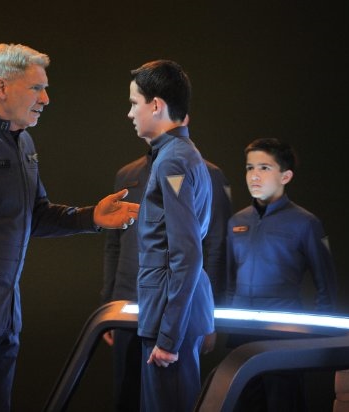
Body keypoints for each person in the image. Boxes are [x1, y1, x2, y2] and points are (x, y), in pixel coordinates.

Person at [0, 43, 139, 412]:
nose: (46, 98)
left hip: (5, 323)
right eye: (36, 88)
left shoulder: (23, 141)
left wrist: (92, 217)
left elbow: (36, 215)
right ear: (1, 87)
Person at [101, 149, 231, 411]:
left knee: (171, 397)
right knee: (126, 393)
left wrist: (211, 313)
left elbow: (216, 246)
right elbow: (113, 244)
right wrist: (108, 304)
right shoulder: (127, 174)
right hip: (127, 303)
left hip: (176, 305)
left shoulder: (207, 172)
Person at [226, 137, 337, 411]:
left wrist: (319, 339)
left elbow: (326, 286)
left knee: (282, 404)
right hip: (240, 336)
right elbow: (228, 282)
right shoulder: (237, 221)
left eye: (264, 168)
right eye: (250, 168)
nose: (254, 175)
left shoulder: (305, 223)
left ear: (285, 176)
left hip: (283, 336)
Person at [129, 59, 214, 412]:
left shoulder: (172, 161)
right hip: (170, 313)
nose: (130, 113)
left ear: (156, 105)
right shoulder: (180, 155)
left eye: (134, 103)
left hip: (169, 318)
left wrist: (168, 337)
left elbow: (187, 253)